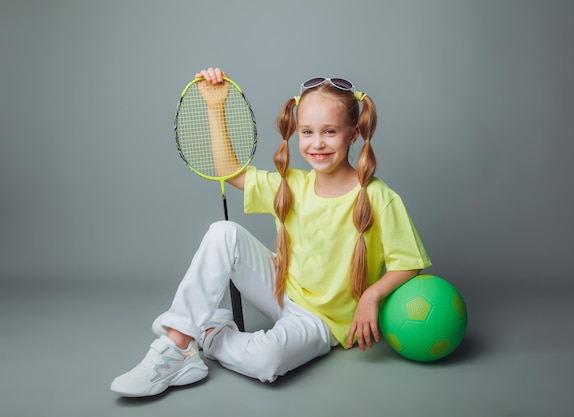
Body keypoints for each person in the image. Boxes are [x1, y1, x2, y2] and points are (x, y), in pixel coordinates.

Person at [110, 68, 431, 397]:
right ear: (296, 133)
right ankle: (176, 347)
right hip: (279, 287)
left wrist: (371, 296)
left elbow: (408, 262)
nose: (317, 143)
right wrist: (215, 107)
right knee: (223, 232)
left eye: (330, 131)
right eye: (307, 131)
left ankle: (205, 331)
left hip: (320, 321)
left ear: (352, 134)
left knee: (267, 360)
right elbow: (229, 172)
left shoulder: (380, 197)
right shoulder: (291, 185)